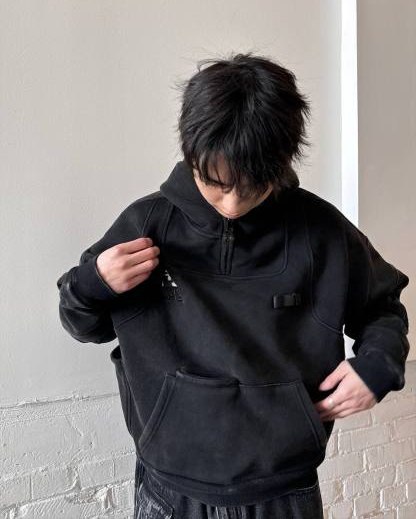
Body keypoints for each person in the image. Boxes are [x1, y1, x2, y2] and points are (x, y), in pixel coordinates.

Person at [57, 53, 410, 519]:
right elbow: (84, 324)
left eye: (251, 186)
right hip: (169, 490)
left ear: (280, 164)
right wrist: (94, 282)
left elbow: (382, 306)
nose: (232, 203)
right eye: (216, 183)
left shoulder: (321, 232)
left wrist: (377, 366)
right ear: (191, 154)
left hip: (283, 491)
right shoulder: (147, 224)